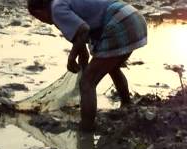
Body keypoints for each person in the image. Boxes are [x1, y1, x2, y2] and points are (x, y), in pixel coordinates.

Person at [27, 0, 147, 131]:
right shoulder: (63, 3)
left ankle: (86, 128)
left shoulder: (56, 9)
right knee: (111, 67)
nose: (42, 21)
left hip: (120, 22)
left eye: (38, 18)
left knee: (87, 83)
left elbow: (84, 30)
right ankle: (126, 105)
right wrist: (82, 63)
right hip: (133, 18)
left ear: (39, 11)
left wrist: (71, 58)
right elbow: (82, 45)